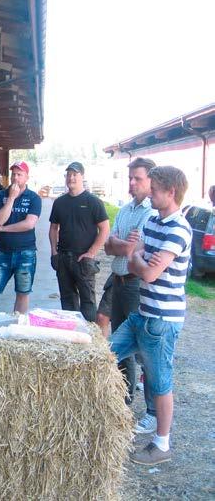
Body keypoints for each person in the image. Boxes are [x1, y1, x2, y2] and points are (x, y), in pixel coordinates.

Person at [109, 165, 191, 465]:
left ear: (171, 192)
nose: (149, 193)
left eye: (154, 189)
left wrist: (141, 260)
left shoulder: (179, 228)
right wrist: (140, 258)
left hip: (162, 320)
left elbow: (151, 272)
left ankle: (162, 444)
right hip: (142, 314)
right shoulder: (154, 221)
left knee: (159, 381)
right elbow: (134, 261)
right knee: (105, 354)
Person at [103, 157, 157, 414]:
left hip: (136, 285)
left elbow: (137, 249)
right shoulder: (126, 210)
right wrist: (124, 246)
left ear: (151, 180)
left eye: (138, 178)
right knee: (121, 344)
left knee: (143, 348)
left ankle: (151, 410)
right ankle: (123, 397)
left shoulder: (152, 212)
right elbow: (108, 246)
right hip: (119, 281)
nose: (132, 183)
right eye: (130, 178)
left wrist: (121, 246)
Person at [48, 161, 109, 321]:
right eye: (68, 174)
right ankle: (71, 334)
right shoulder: (60, 202)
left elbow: (104, 229)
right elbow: (53, 228)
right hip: (63, 257)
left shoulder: (93, 202)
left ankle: (89, 337)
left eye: (75, 174)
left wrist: (91, 253)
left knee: (88, 301)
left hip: (83, 260)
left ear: (82, 176)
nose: (71, 178)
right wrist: (54, 251)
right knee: (67, 300)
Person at [0, 161, 42, 313]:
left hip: (26, 252)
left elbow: (29, 224)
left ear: (27, 177)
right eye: (13, 174)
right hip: (3, 252)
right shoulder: (0, 196)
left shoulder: (34, 198)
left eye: (19, 175)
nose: (16, 178)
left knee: (23, 293)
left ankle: (18, 326)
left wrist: (4, 229)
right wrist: (12, 198)